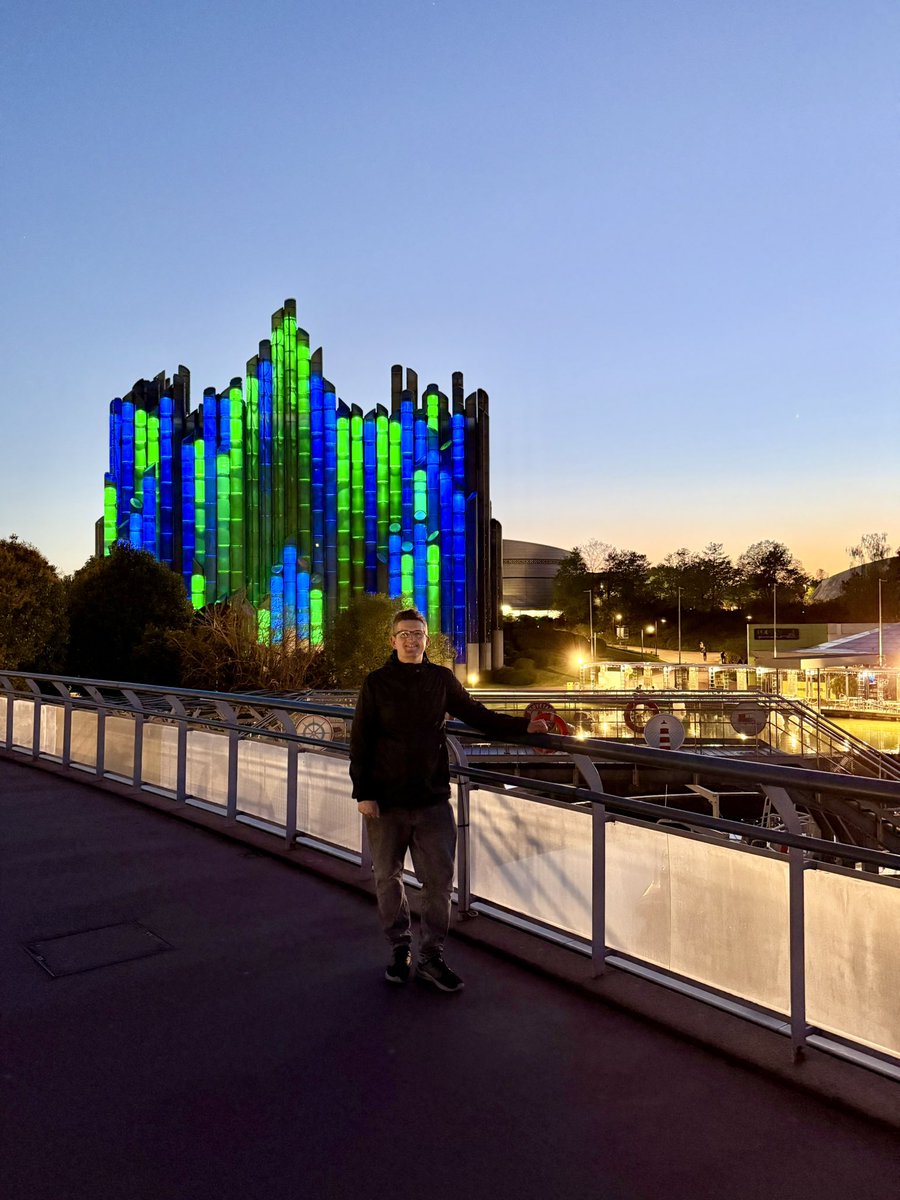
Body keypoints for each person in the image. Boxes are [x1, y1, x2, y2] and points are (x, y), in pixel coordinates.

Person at [350, 608, 552, 993]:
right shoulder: (376, 683)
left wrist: (524, 726)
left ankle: (431, 956)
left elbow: (478, 716)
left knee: (439, 883)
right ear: (393, 641)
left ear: (427, 640)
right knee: (386, 878)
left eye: (418, 633)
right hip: (385, 802)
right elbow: (361, 741)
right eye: (404, 634)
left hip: (431, 800)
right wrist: (364, 793)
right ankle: (399, 947)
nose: (412, 640)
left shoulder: (441, 680)